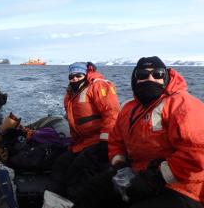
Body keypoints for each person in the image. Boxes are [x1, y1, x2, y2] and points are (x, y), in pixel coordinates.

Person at [76, 56, 204, 208]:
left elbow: (197, 152)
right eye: (142, 75)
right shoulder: (129, 108)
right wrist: (119, 162)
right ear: (135, 78)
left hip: (184, 185)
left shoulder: (183, 104)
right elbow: (116, 139)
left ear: (166, 77)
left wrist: (156, 177)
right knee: (94, 189)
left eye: (158, 74)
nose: (150, 78)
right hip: (138, 172)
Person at [44, 62, 120, 206]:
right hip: (81, 143)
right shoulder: (70, 96)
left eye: (78, 75)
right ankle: (53, 203)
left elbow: (112, 113)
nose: (75, 79)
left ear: (85, 75)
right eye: (71, 76)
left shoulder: (99, 86)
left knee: (79, 169)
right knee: (61, 164)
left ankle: (76, 201)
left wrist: (105, 142)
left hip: (100, 141)